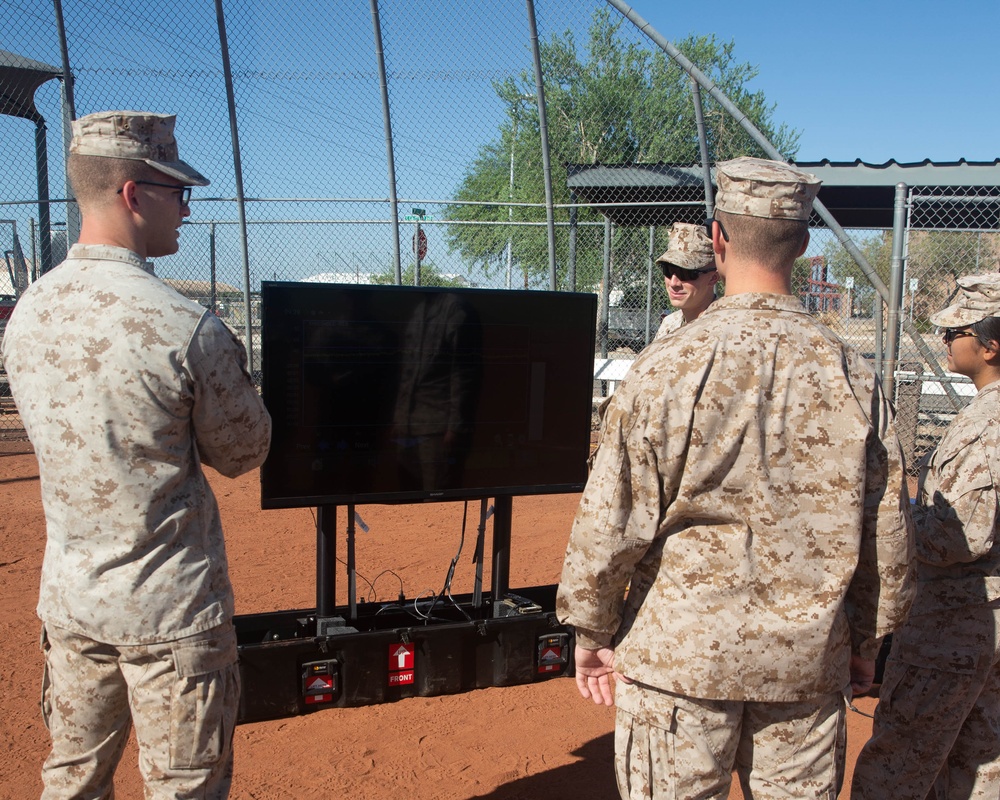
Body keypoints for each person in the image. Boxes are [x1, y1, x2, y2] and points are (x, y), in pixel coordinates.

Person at [556, 156, 915, 800]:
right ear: (803, 245)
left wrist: (591, 630)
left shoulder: (666, 366)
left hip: (679, 662)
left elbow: (611, 517)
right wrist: (866, 642)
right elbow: (887, 531)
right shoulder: (854, 375)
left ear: (717, 240)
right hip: (805, 664)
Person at [1, 111, 272, 799]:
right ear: (132, 193)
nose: (184, 208)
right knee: (184, 788)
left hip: (72, 604)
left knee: (71, 782)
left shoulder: (29, 312)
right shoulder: (183, 326)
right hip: (171, 617)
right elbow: (244, 451)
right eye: (176, 191)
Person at [852, 274, 1000, 800]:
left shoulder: (986, 423)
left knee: (899, 763)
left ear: (991, 343)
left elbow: (961, 536)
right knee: (981, 761)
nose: (945, 340)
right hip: (987, 618)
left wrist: (891, 529)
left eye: (955, 329)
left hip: (954, 623)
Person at [653, 220, 720, 340]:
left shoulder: (724, 328)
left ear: (713, 278)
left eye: (686, 273)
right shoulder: (669, 324)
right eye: (667, 270)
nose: (674, 283)